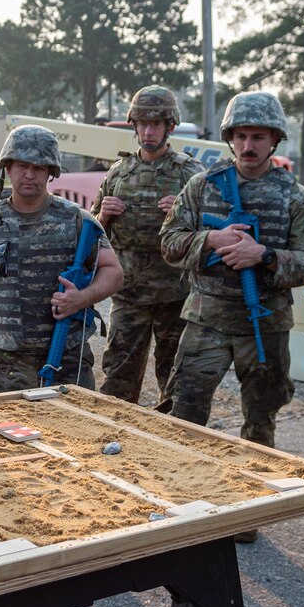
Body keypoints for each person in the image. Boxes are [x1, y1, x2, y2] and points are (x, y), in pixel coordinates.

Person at [160, 92, 304, 542]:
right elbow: (169, 243)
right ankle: (185, 502)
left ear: (274, 140)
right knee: (186, 414)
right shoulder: (203, 186)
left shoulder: (292, 196)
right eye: (241, 136)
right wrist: (212, 240)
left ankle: (247, 511)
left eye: (258, 136)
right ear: (229, 139)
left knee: (260, 419)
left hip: (264, 323)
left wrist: (266, 256)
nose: (248, 145)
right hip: (207, 320)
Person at [0, 124, 122, 392]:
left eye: (38, 168)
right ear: (8, 168)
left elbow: (114, 271)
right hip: (10, 365)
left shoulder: (77, 219)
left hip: (68, 358)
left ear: (51, 172)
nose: (29, 175)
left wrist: (81, 298)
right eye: (22, 166)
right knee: (16, 432)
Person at [92, 86, 205, 407]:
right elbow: (91, 234)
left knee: (177, 382)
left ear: (170, 126)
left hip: (176, 296)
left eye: (156, 124)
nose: (148, 130)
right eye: (142, 123)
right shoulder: (118, 172)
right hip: (129, 296)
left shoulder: (190, 174)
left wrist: (183, 214)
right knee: (118, 381)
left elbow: (211, 235)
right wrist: (103, 214)